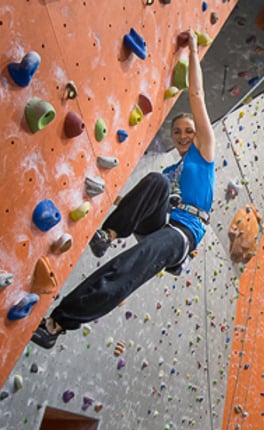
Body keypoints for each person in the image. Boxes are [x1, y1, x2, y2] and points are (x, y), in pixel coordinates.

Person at [32, 29, 215, 349]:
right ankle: (109, 234)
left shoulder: (205, 154)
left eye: (188, 130)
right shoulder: (171, 171)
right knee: (156, 181)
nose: (183, 136)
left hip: (181, 235)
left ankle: (58, 323)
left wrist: (192, 54)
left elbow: (196, 95)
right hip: (159, 223)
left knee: (128, 267)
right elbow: (141, 199)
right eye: (177, 132)